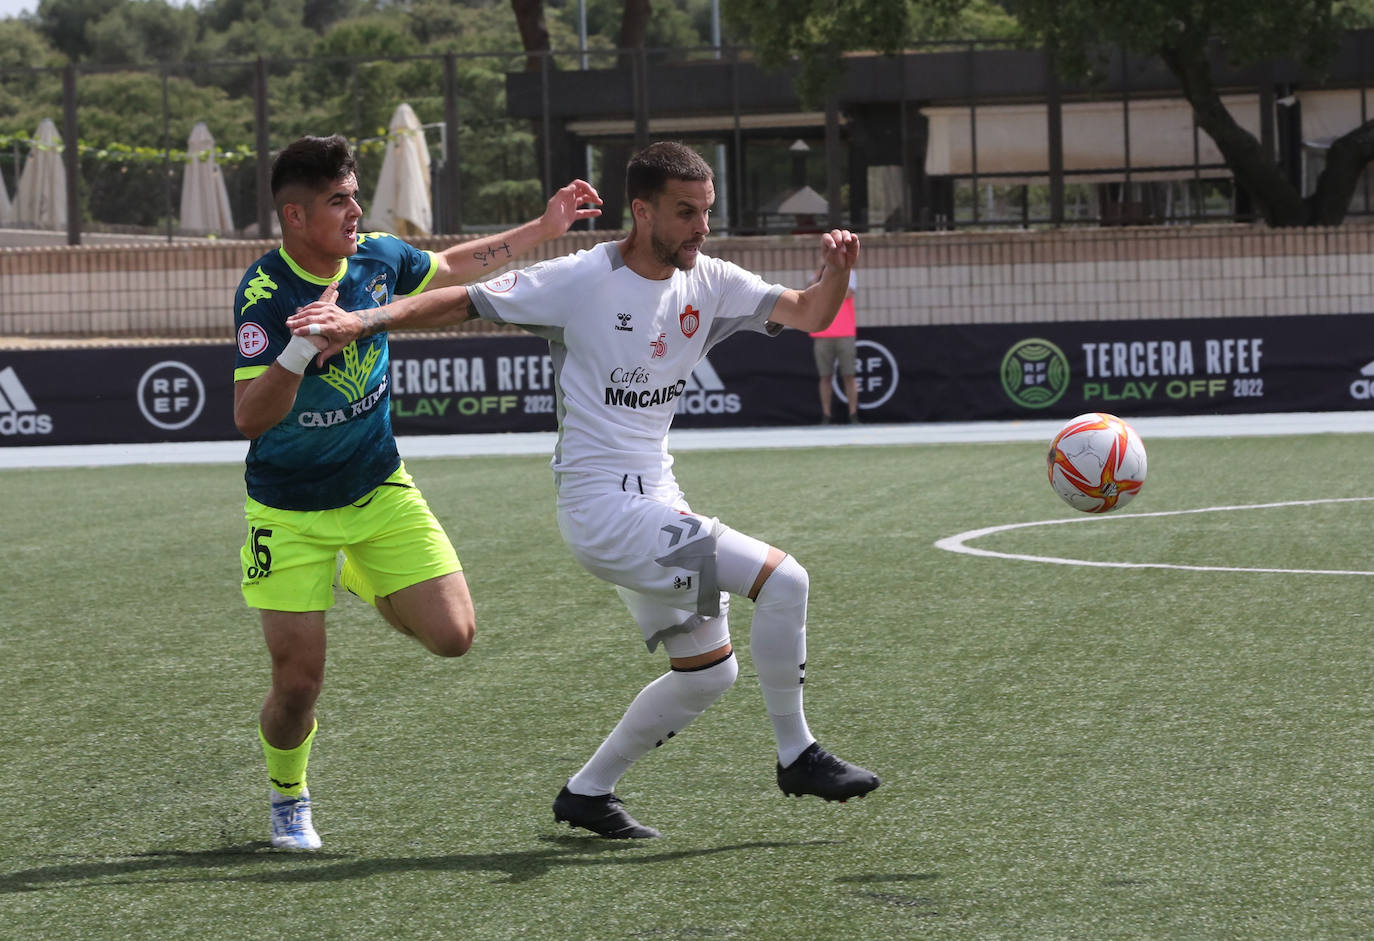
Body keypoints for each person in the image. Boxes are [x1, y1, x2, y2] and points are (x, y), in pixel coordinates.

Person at [288, 140, 880, 839]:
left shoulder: (711, 279)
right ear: (642, 210)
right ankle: (797, 754)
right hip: (604, 509)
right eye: (685, 212)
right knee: (786, 580)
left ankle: (587, 794)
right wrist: (361, 320)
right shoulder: (580, 278)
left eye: (706, 211)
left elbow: (811, 311)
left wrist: (836, 273)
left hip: (657, 500)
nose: (701, 227)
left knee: (707, 673)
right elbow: (462, 300)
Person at [232, 133, 602, 850]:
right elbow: (249, 417)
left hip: (379, 487)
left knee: (455, 637)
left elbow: (449, 268)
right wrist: (302, 349)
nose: (355, 212)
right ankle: (288, 797)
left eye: (354, 196)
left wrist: (544, 226)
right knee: (298, 684)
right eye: (338, 201)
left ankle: (358, 572)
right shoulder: (265, 293)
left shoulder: (375, 256)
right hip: (288, 511)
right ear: (295, 216)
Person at [810, 267, 860, 423]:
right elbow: (812, 293)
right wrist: (820, 270)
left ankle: (853, 414)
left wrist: (827, 289)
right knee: (825, 376)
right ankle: (826, 415)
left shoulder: (849, 273)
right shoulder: (818, 274)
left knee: (849, 375)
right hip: (822, 333)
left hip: (845, 333)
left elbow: (847, 293)